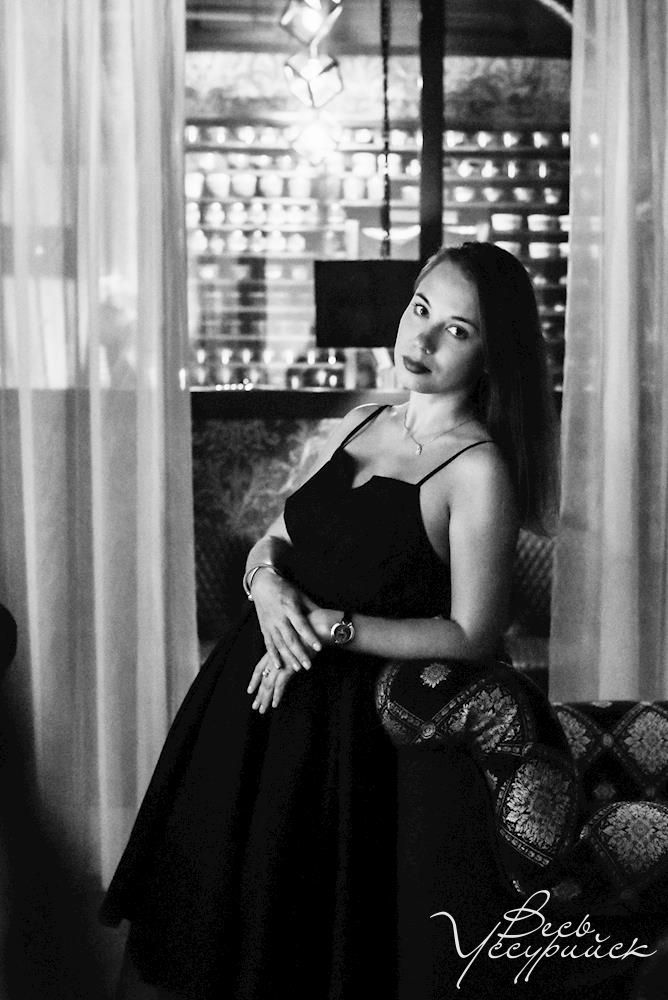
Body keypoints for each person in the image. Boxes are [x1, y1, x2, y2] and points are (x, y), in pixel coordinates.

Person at [100, 242, 560, 999]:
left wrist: (327, 626)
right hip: (241, 702)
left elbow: (473, 634)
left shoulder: (477, 470)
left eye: (457, 329)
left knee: (283, 948)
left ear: (491, 353)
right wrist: (266, 590)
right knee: (183, 925)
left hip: (338, 731)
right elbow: (275, 538)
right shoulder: (360, 420)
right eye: (420, 310)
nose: (422, 338)